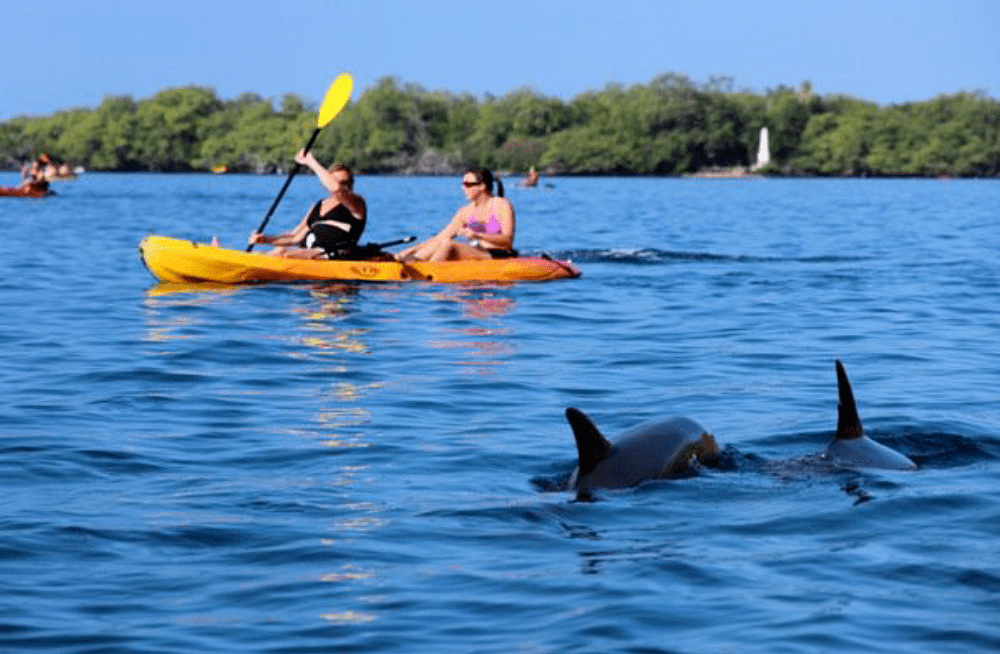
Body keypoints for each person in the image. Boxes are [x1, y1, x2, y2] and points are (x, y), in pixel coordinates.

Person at [248, 150, 367, 259]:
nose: (343, 186)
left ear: (352, 184)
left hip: (335, 254)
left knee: (282, 253)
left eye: (346, 182)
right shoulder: (319, 205)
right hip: (311, 253)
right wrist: (265, 239)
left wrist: (310, 161)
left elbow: (336, 189)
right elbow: (295, 237)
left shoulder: (357, 203)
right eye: (337, 181)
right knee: (260, 254)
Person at [396, 168, 516, 262]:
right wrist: (409, 250)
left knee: (448, 245)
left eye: (468, 184)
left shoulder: (501, 204)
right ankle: (413, 261)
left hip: (498, 255)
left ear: (482, 186)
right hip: (476, 251)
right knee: (443, 241)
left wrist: (477, 235)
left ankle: (422, 271)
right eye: (463, 184)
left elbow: (507, 240)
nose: (463, 188)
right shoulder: (464, 212)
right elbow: (441, 237)